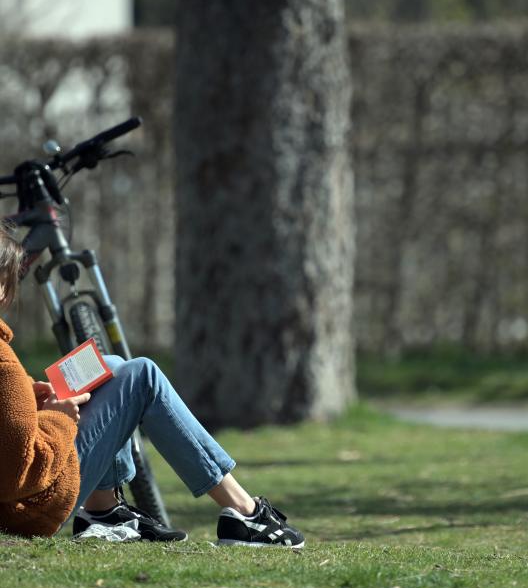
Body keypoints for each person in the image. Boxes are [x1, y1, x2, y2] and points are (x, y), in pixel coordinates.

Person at [0, 225, 304, 547]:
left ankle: (104, 514)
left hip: (17, 504)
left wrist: (33, 395)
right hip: (29, 510)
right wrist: (57, 417)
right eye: (7, 279)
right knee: (142, 375)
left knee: (113, 367)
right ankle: (245, 513)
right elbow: (20, 471)